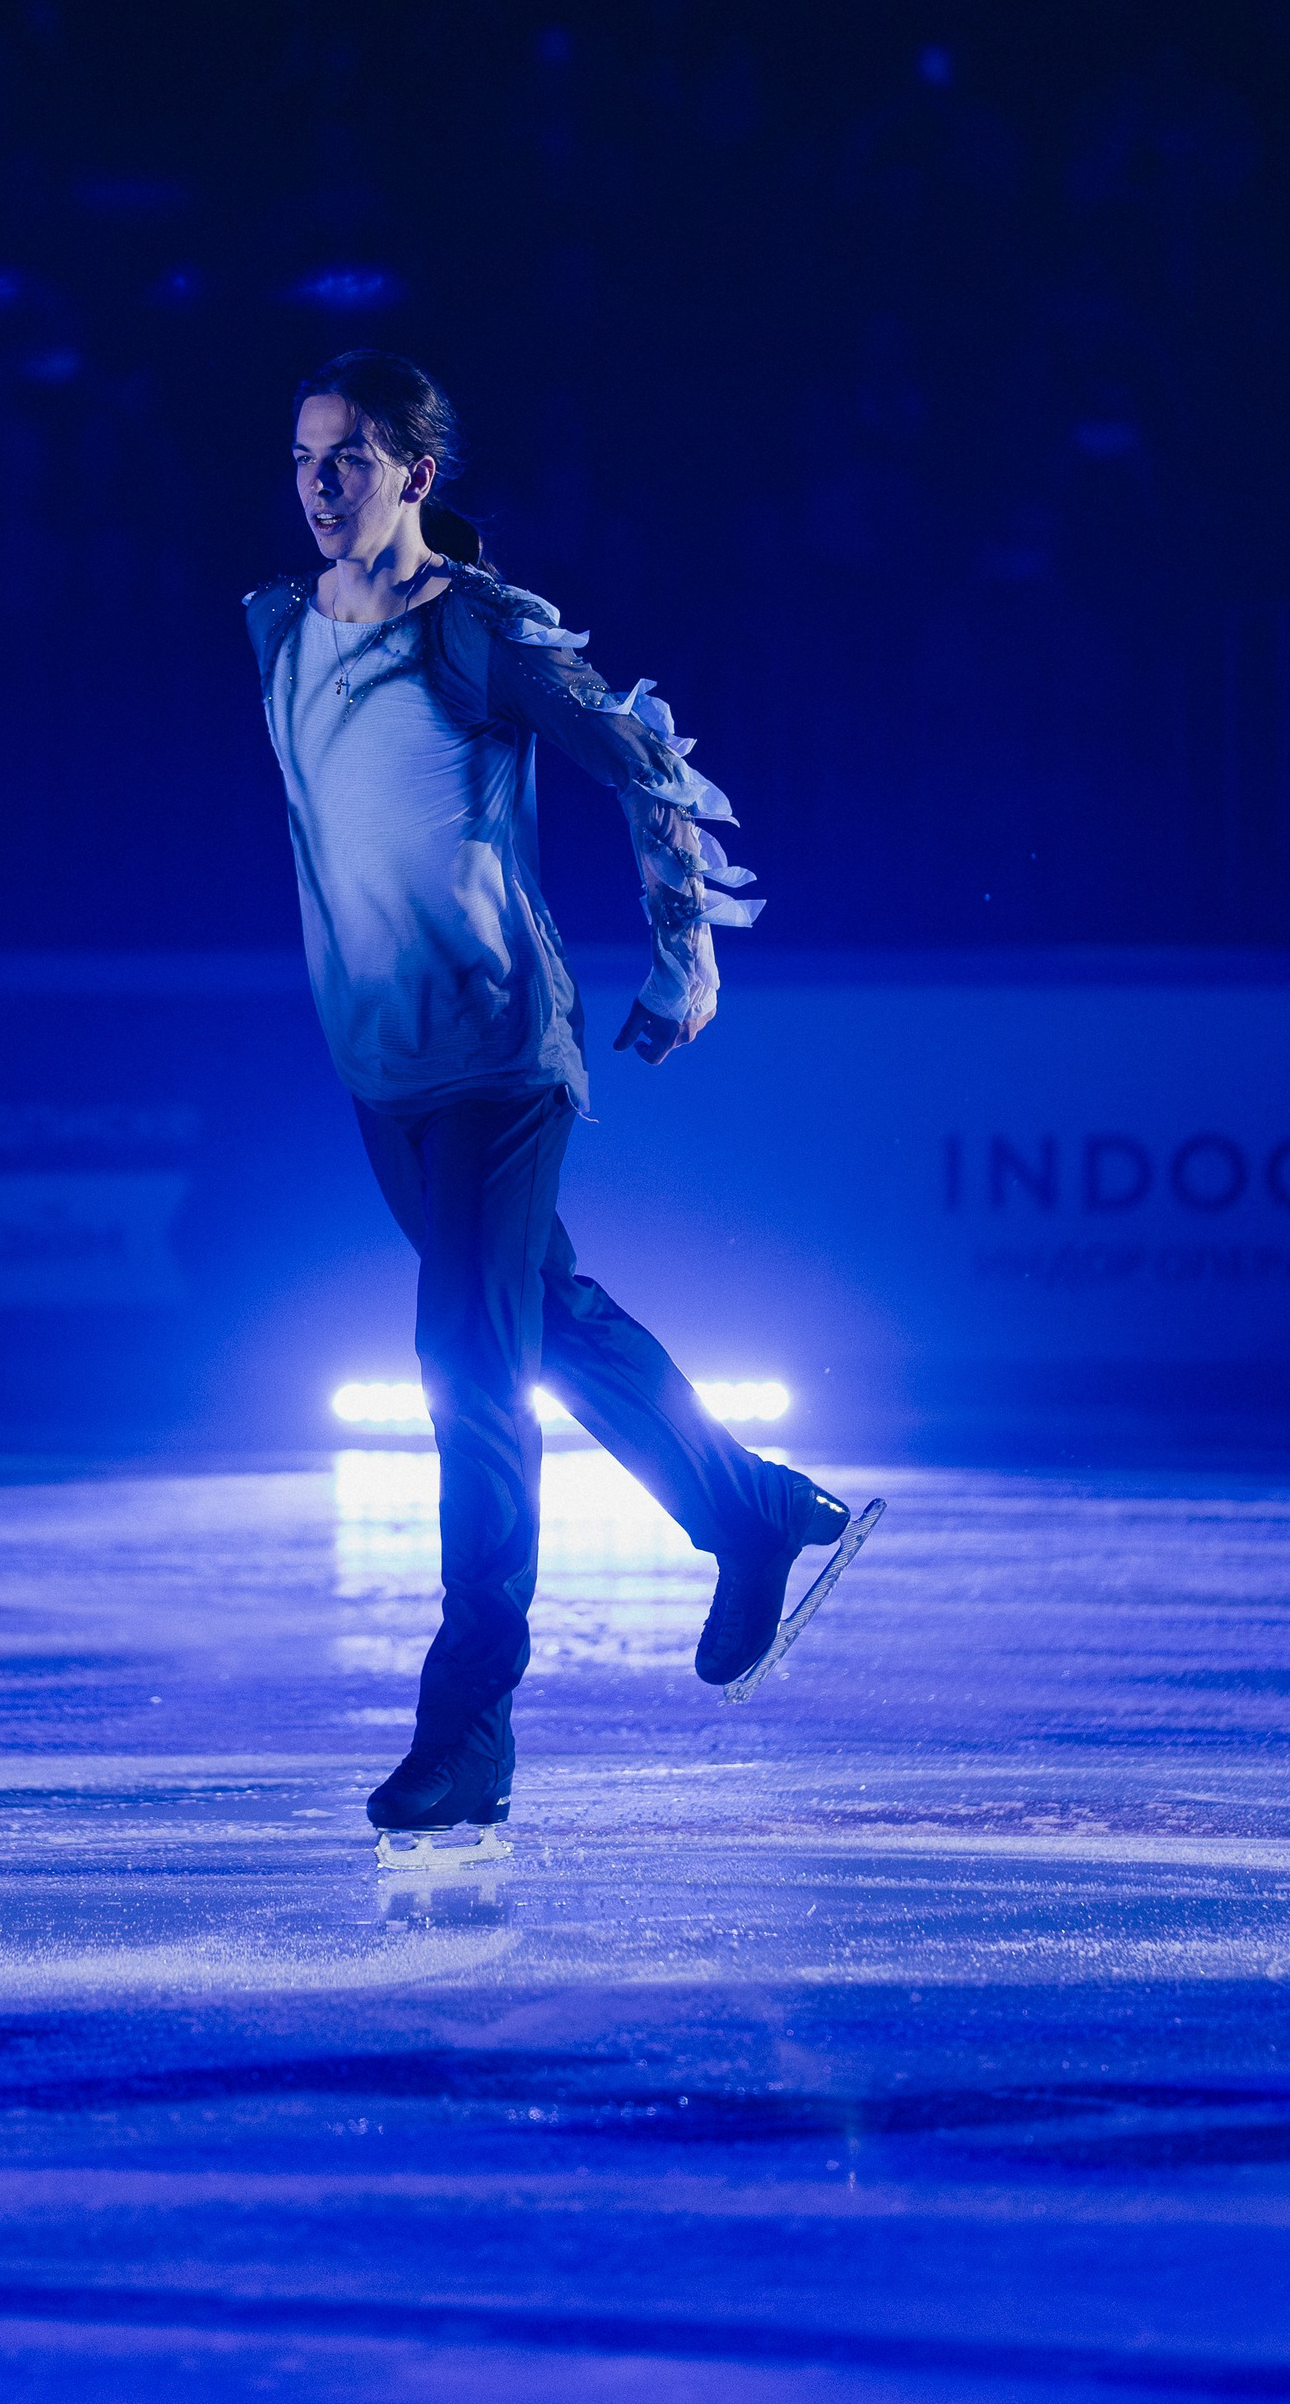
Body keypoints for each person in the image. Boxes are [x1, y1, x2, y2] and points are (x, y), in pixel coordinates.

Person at [246, 350, 851, 1845]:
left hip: (503, 1057)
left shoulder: (477, 630)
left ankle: (468, 1725)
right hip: (379, 1065)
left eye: (349, 458)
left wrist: (686, 955)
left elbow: (643, 763)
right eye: (305, 458)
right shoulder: (278, 628)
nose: (320, 485)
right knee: (540, 1316)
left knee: (466, 1355)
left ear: (414, 474)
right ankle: (751, 1509)